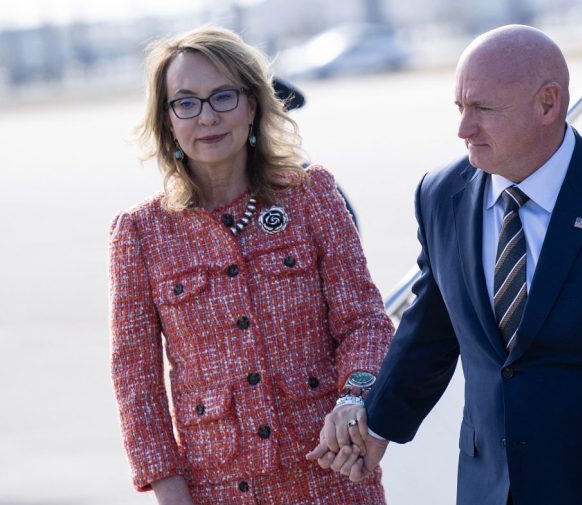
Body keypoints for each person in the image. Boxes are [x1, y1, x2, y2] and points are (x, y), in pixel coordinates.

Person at [309, 24, 582, 505]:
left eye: (482, 108)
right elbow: (431, 331)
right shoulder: (442, 196)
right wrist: (378, 424)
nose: (463, 129)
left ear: (549, 104)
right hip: (490, 491)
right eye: (460, 108)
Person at [108, 26, 393, 505]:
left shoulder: (312, 194)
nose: (208, 117)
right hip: (216, 490)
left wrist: (354, 398)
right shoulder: (139, 233)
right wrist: (167, 486)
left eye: (223, 96)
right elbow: (136, 382)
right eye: (187, 102)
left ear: (253, 104)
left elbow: (364, 322)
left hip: (331, 476)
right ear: (168, 120)